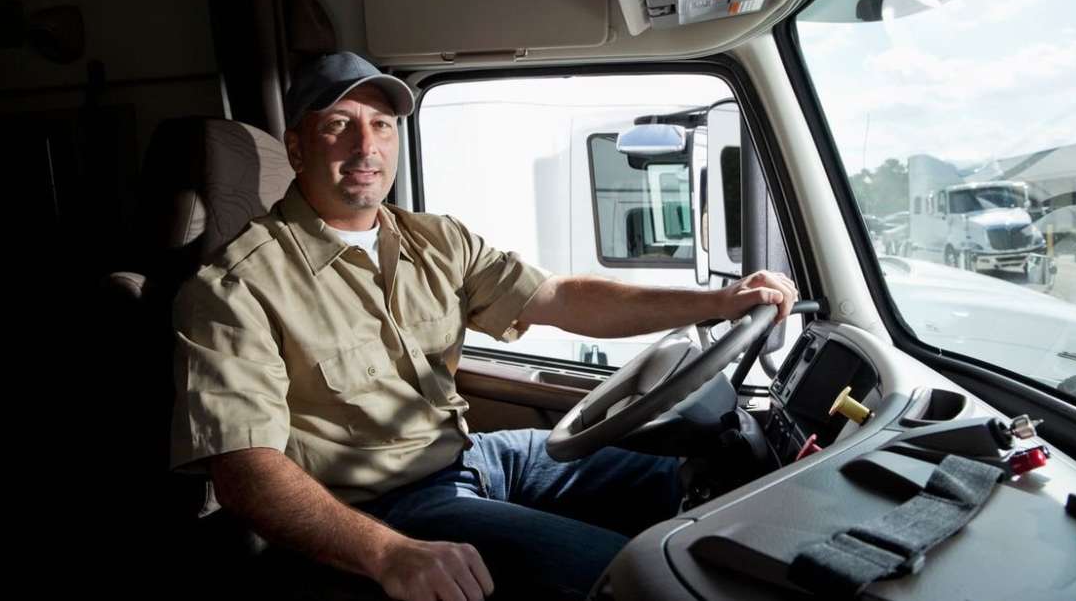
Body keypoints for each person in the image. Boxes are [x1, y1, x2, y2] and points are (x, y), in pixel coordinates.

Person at [171, 52, 798, 601]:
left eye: (382, 126)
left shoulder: (434, 239)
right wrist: (389, 552)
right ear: (297, 147)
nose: (367, 148)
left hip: (476, 458)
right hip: (385, 508)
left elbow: (558, 298)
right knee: (637, 573)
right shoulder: (233, 288)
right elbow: (245, 471)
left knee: (701, 479)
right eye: (339, 126)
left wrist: (716, 303)